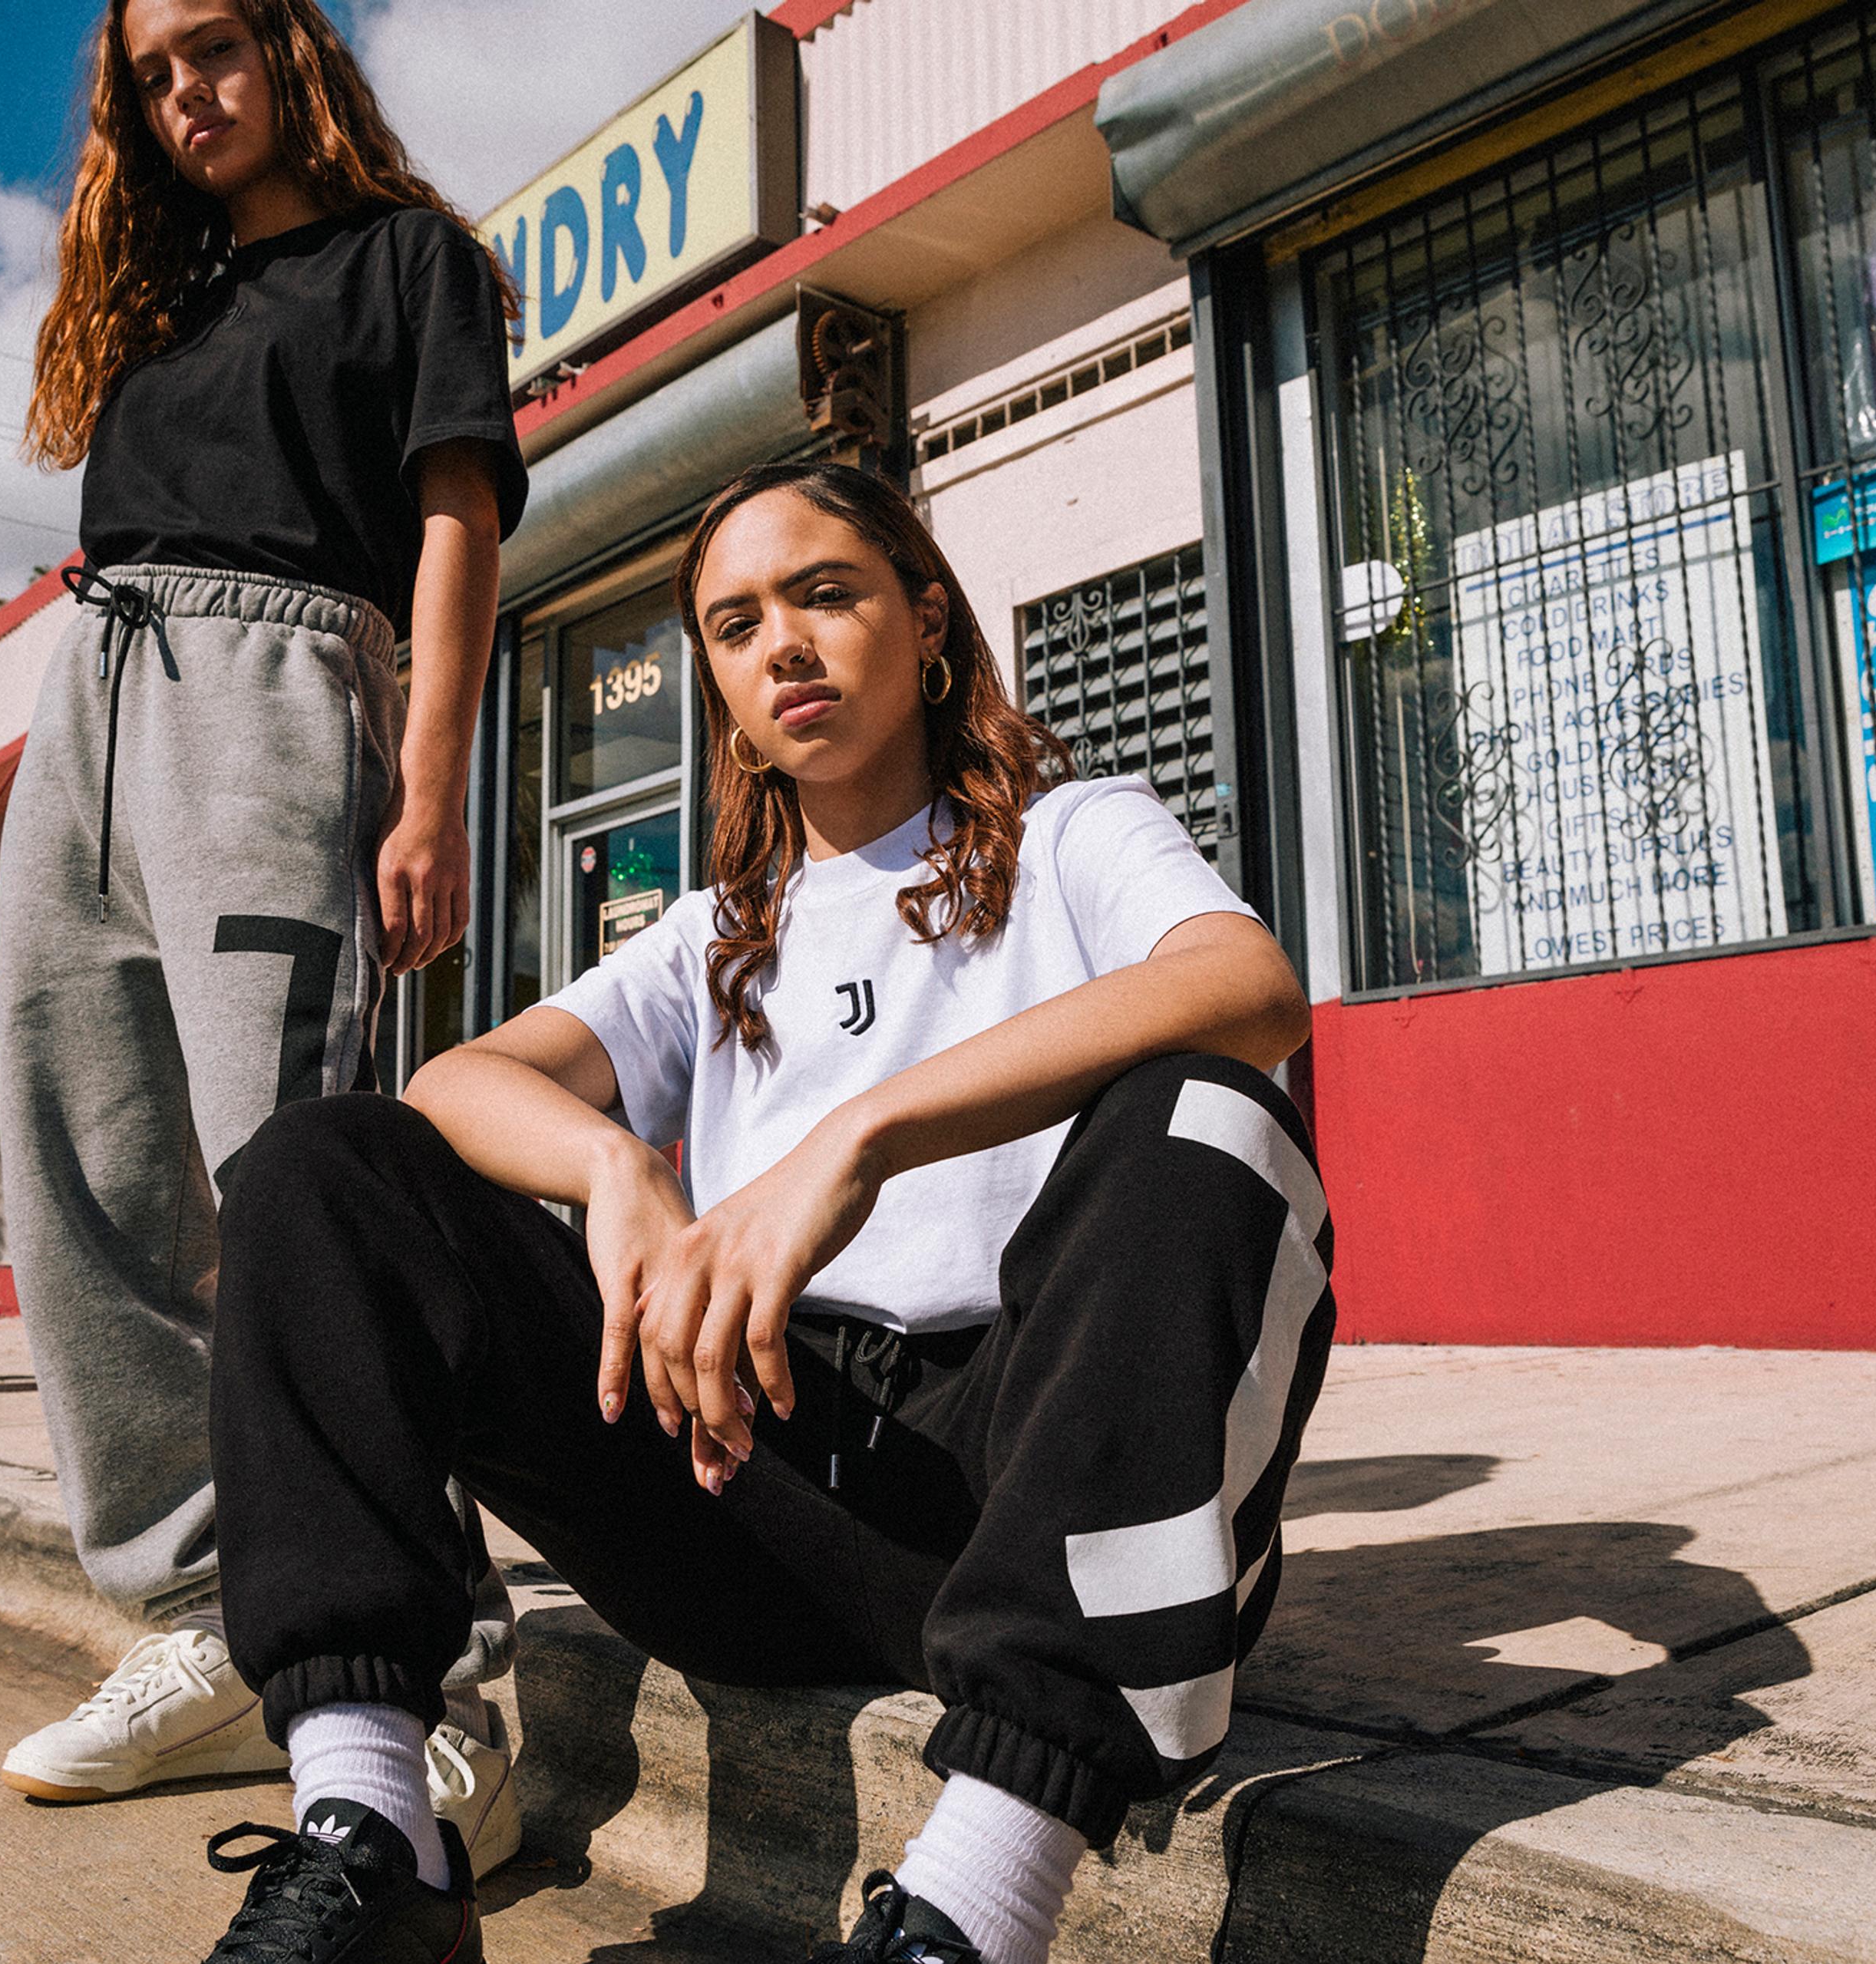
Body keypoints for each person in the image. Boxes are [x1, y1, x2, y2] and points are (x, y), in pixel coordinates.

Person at [192, 463, 1333, 1964]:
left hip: (1023, 1481)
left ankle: (970, 1909)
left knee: (1210, 1114)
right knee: (324, 1167)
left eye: (826, 593)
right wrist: (618, 1172)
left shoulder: (1073, 837)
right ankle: (373, 1838)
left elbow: (1249, 991)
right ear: (720, 685)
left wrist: (863, 1134)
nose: (782, 643)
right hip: (751, 1483)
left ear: (927, 622)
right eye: (735, 625)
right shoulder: (721, 934)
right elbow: (464, 1082)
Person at [0, 0, 527, 1858]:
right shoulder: (165, 298)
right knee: (90, 1188)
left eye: (211, 47)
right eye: (148, 73)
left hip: (283, 693)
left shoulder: (410, 263)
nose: (183, 93)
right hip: (93, 692)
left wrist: (431, 787)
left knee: (290, 1191)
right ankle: (204, 1621)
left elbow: (455, 515)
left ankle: (437, 1678)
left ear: (291, 54)